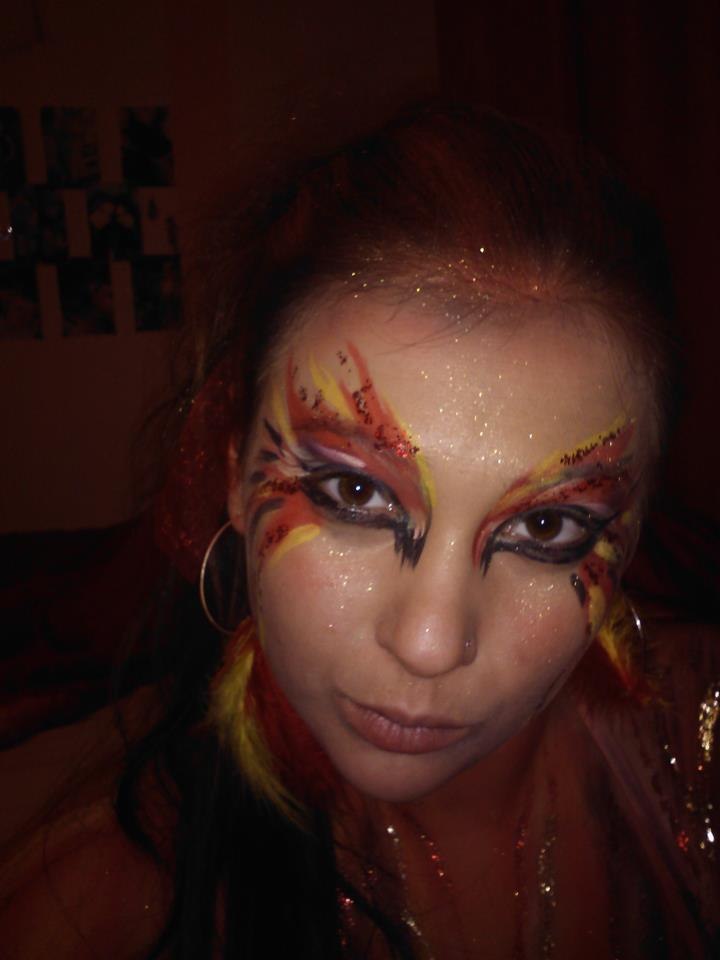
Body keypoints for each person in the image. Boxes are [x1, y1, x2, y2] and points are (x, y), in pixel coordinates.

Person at [2, 102, 719, 958]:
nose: (428, 644)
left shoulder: (698, 741)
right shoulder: (95, 915)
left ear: (633, 533)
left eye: (546, 522)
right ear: (233, 476)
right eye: (352, 491)